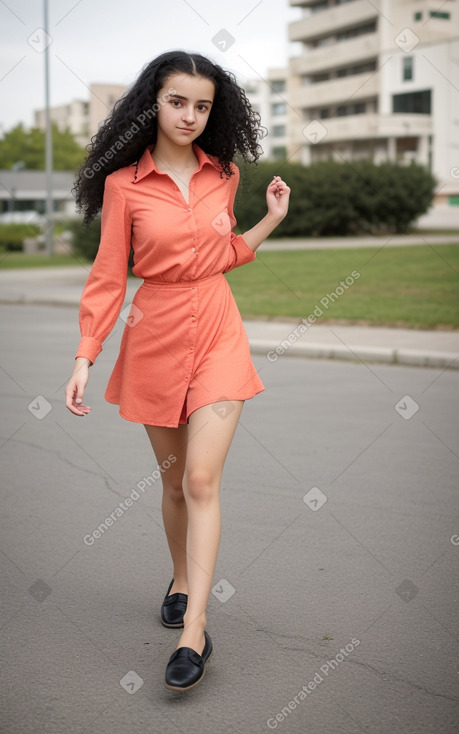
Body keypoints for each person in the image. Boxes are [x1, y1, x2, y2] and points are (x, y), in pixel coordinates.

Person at [65, 50, 290, 692]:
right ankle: (182, 576)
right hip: (154, 334)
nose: (190, 116)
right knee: (170, 485)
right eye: (177, 102)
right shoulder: (123, 186)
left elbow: (219, 256)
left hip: (218, 329)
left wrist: (269, 220)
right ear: (152, 103)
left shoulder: (226, 174)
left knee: (199, 478)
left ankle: (195, 629)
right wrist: (85, 356)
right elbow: (109, 278)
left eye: (202, 105)